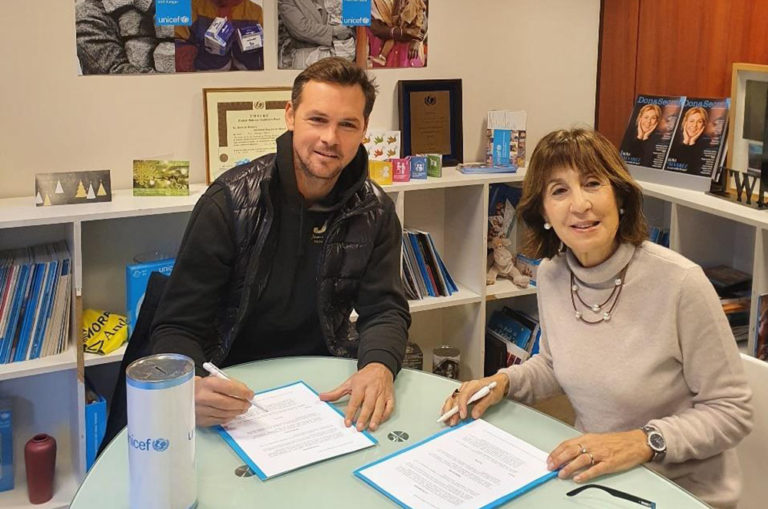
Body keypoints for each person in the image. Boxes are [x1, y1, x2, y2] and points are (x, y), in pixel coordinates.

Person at [441, 128, 752, 508]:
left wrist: (641, 441)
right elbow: (556, 364)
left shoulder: (681, 283)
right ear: (544, 213)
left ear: (619, 196)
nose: (580, 204)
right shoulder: (551, 274)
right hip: (595, 478)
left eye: (592, 184)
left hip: (681, 491)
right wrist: (503, 382)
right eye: (559, 191)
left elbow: (731, 411)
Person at [151, 57, 411, 432]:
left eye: (347, 124)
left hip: (324, 386)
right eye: (317, 119)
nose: (330, 138)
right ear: (290, 116)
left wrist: (378, 365)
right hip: (229, 385)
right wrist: (188, 387)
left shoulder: (375, 210)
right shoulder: (229, 202)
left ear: (364, 130)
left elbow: (385, 310)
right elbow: (177, 325)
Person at [175, 0, 265, 72]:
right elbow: (173, 44)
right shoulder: (185, 7)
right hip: (202, 79)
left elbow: (266, 55)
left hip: (245, 81)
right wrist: (187, 53)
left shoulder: (256, 12)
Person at [277, 0, 355, 70]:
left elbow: (355, 20)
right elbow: (301, 29)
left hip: (336, 56)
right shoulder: (287, 1)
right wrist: (333, 31)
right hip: (306, 60)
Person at [367, 0, 427, 68]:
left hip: (410, 52)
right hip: (383, 52)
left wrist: (416, 39)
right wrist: (401, 32)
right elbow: (375, 28)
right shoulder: (361, 3)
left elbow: (423, 17)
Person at [666, 107, 709, 174]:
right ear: (685, 122)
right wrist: (686, 141)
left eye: (699, 122)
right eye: (691, 121)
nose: (694, 125)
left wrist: (692, 142)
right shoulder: (672, 143)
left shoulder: (707, 147)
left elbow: (694, 170)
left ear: (704, 125)